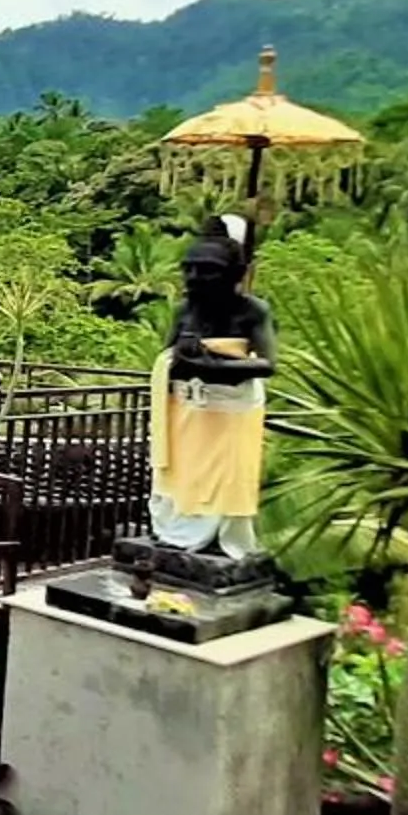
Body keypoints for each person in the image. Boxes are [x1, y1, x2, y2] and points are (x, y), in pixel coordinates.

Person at [146, 214, 275, 560]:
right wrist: (184, 362)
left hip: (233, 409)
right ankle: (178, 534)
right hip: (189, 407)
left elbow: (266, 364)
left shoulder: (252, 311)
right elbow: (168, 355)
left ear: (233, 276)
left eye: (207, 272)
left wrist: (215, 366)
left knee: (227, 475)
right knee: (187, 473)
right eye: (189, 270)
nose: (195, 279)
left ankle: (223, 540)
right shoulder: (185, 310)